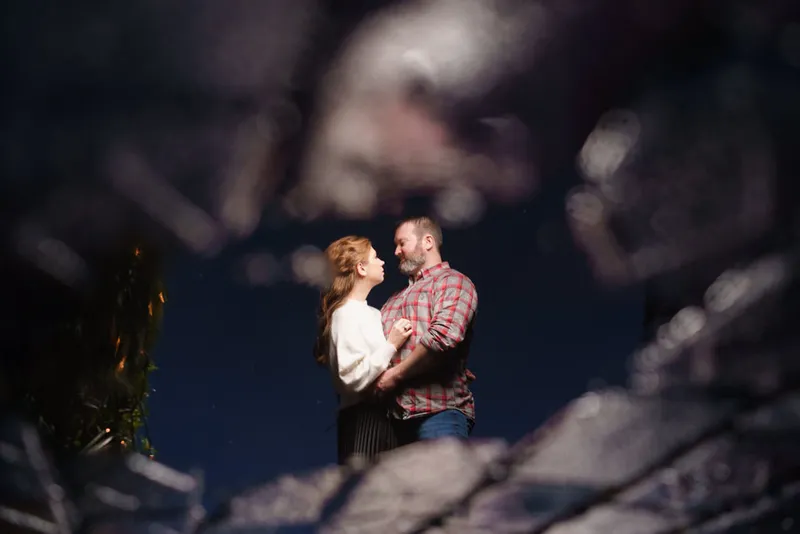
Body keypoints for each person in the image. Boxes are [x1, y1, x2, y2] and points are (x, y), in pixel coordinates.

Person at [376, 216, 478, 444]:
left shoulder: (453, 282)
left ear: (428, 241)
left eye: (402, 243)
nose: (396, 251)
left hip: (439, 414)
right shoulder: (391, 302)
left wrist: (394, 375)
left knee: (443, 479)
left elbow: (443, 338)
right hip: (391, 424)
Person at [313, 236, 413, 465]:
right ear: (360, 268)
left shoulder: (372, 314)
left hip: (387, 419)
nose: (382, 262)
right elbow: (351, 377)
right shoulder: (345, 314)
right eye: (375, 257)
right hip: (363, 420)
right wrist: (392, 344)